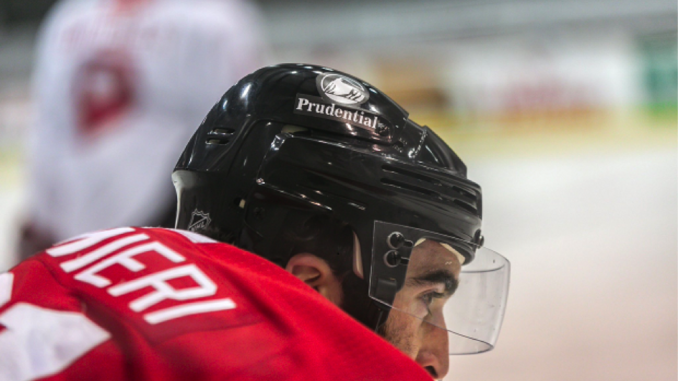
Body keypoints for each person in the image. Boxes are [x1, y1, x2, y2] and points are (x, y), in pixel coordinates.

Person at [0, 64, 511, 380]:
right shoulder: (274, 361)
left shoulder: (80, 256)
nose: (436, 360)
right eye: (426, 297)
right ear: (308, 285)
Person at [18, 0, 267, 261]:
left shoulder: (210, 20)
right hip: (76, 218)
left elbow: (236, 129)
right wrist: (40, 216)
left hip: (163, 207)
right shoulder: (68, 17)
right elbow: (50, 125)